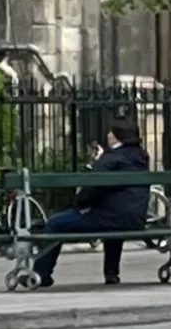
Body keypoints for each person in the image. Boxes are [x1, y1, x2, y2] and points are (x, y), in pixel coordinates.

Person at [33, 118, 150, 288]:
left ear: (116, 136)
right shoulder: (142, 156)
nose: (108, 134)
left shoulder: (110, 159)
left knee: (54, 223)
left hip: (108, 217)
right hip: (135, 219)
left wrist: (78, 205)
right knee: (115, 223)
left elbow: (92, 188)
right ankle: (111, 273)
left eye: (111, 132)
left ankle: (41, 274)